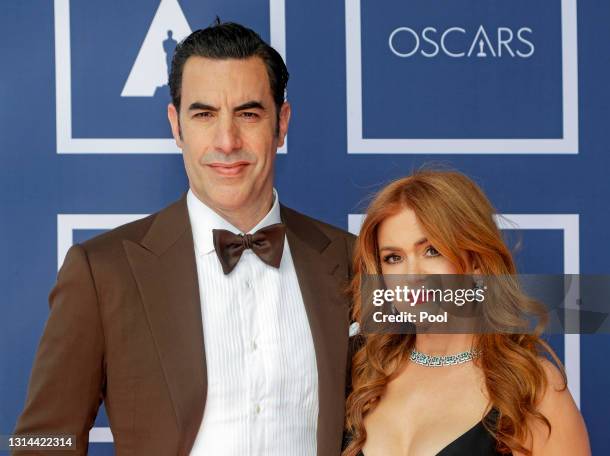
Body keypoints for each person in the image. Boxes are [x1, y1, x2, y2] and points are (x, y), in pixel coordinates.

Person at [14, 21, 355, 456]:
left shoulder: (350, 257)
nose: (227, 141)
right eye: (204, 114)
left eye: (248, 114)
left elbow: (449, 357)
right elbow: (42, 440)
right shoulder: (102, 272)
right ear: (176, 126)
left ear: (281, 123)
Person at [343, 170, 590, 455]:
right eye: (393, 258)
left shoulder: (531, 387)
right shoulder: (363, 375)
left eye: (432, 250)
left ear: (476, 262)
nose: (411, 275)